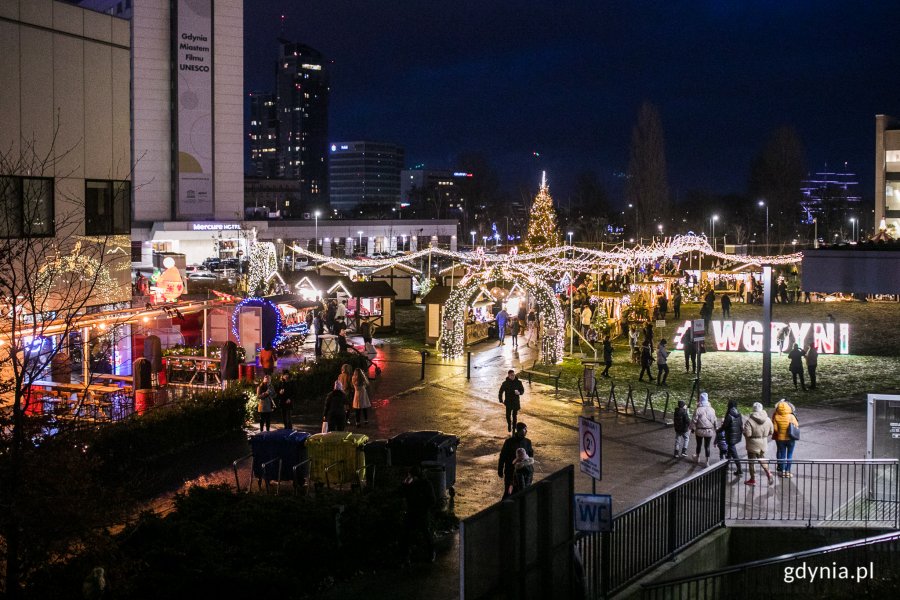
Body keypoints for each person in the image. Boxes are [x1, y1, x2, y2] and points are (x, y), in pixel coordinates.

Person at [401, 466, 436, 563]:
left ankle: (431, 552)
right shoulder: (410, 484)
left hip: (421, 513)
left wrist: (423, 507)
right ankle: (406, 555)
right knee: (407, 533)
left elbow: (432, 500)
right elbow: (403, 494)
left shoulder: (425, 484)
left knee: (425, 533)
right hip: (413, 512)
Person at [742, 401, 775, 486]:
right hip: (763, 443)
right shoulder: (768, 419)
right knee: (761, 458)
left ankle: (752, 480)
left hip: (752, 444)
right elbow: (771, 431)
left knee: (751, 462)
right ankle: (768, 472)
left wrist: (744, 432)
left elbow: (748, 434)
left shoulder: (749, 421)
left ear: (753, 409)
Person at [498, 422, 534, 499]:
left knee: (522, 493)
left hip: (523, 473)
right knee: (508, 492)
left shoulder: (528, 442)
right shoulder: (509, 442)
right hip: (510, 472)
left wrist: (529, 470)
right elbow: (503, 456)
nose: (526, 431)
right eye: (525, 429)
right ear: (520, 430)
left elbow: (531, 456)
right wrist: (500, 469)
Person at [772, 399, 799, 477]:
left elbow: (776, 429)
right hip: (790, 438)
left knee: (783, 455)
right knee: (789, 455)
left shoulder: (776, 416)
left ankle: (782, 472)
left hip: (781, 439)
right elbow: (796, 426)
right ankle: (788, 472)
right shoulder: (791, 416)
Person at [717, 400, 744, 476]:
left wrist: (718, 431)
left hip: (730, 437)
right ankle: (726, 466)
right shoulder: (739, 414)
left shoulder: (729, 415)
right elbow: (740, 425)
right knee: (729, 452)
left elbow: (725, 426)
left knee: (734, 453)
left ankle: (739, 469)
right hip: (736, 436)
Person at [690, 392, 717, 465]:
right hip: (709, 431)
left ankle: (697, 457)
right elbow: (715, 420)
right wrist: (715, 428)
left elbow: (694, 420)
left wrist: (692, 428)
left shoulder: (698, 409)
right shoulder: (712, 410)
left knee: (698, 444)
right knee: (707, 446)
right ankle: (707, 461)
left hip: (699, 430)